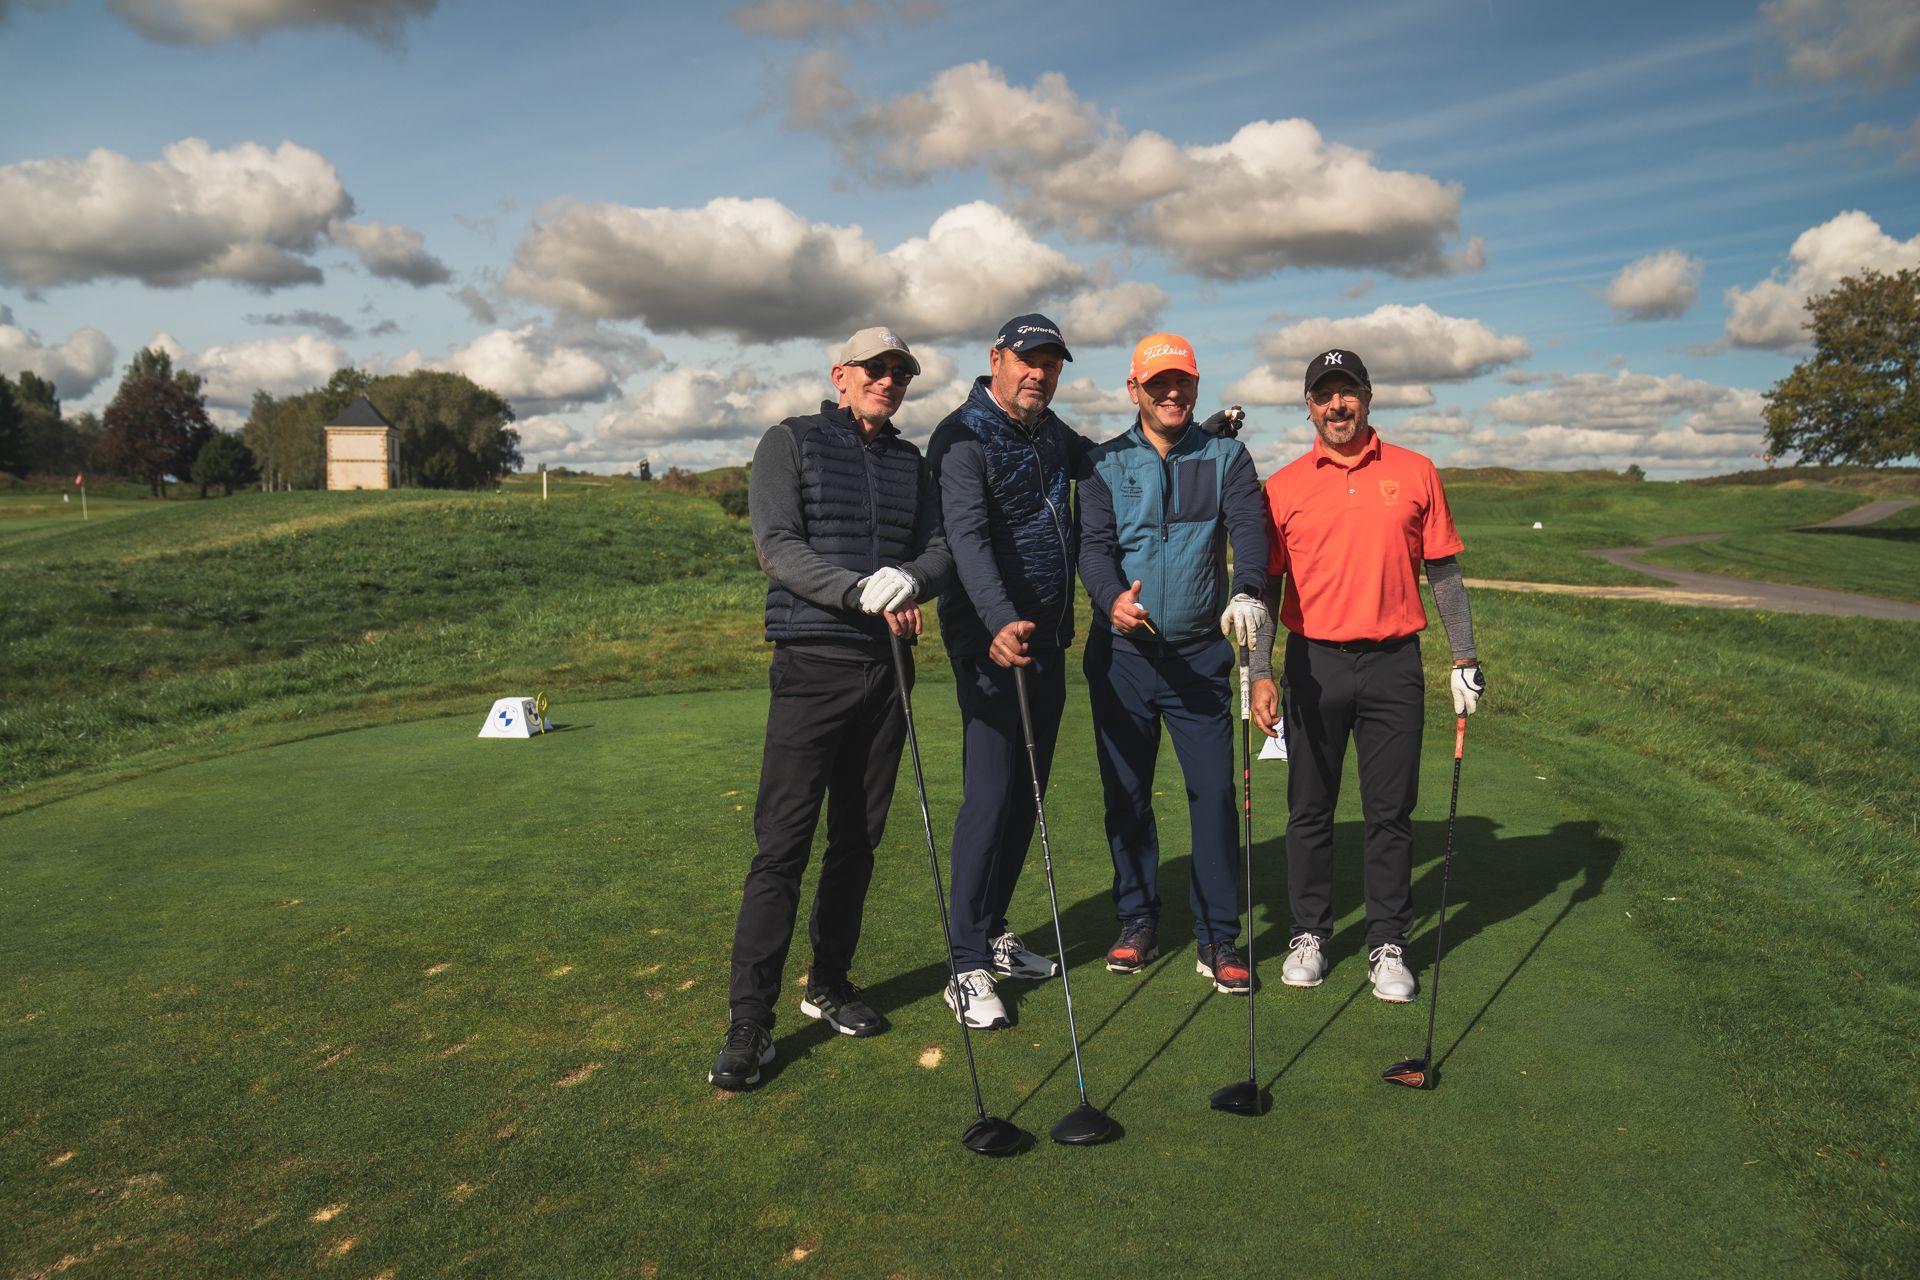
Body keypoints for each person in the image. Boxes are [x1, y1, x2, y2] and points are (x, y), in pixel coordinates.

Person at [709, 326, 954, 1089]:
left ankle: (829, 983)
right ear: (840, 374)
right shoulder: (790, 442)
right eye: (875, 369)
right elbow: (778, 546)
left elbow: (940, 548)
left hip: (887, 673)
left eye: (900, 373)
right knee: (782, 845)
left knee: (857, 840)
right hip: (812, 665)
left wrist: (912, 580)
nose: (888, 381)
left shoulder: (911, 462)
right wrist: (857, 591)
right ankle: (750, 1021)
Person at [1250, 348, 1484, 1003]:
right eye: (1324, 395)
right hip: (1313, 663)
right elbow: (1268, 586)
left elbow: (1444, 573)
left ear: (1368, 397)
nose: (1337, 405)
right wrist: (1259, 669)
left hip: (1393, 664)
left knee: (1390, 812)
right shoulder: (1284, 485)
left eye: (1347, 391)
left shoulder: (1415, 471)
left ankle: (1388, 943)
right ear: (1308, 407)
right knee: (1309, 809)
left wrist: (1464, 656)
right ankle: (1309, 934)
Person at [1076, 333, 1270, 994]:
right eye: (1157, 383)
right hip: (1122, 658)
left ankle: (1218, 935)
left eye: (1181, 381)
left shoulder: (1226, 456)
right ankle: (1137, 920)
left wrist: (1248, 590)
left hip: (1198, 657)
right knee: (1126, 796)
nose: (1171, 393)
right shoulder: (1103, 463)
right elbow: (1094, 549)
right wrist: (1111, 598)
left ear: (1194, 385)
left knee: (1213, 794)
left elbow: (1249, 530)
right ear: (1134, 389)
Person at [926, 313, 1089, 1030]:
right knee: (991, 797)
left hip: (1046, 640)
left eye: (1051, 364)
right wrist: (997, 620)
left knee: (1027, 796)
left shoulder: (1051, 432)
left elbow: (1113, 457)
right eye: (1028, 360)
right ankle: (963, 964)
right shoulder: (961, 435)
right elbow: (965, 539)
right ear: (996, 358)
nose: (1039, 374)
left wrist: (1199, 432)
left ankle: (992, 931)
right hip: (990, 642)